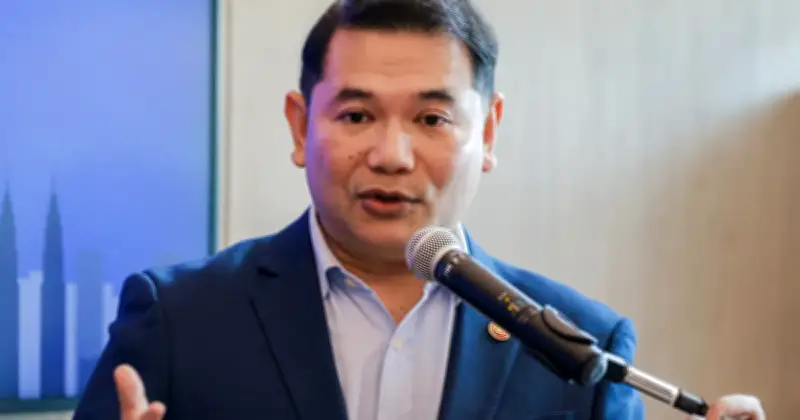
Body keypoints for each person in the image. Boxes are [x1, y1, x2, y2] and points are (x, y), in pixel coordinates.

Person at [73, 0, 768, 419]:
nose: (391, 155)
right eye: (356, 115)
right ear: (300, 125)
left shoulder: (580, 347)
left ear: (487, 133)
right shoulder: (179, 318)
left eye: (432, 119)